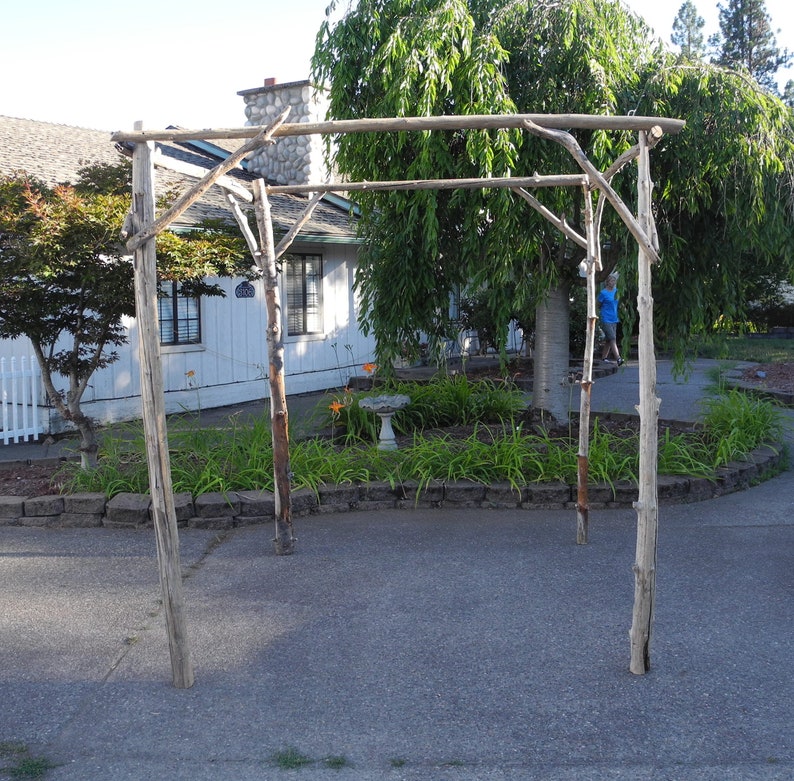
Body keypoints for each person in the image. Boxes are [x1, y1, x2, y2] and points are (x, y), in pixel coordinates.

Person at [598, 274, 624, 366]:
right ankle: (618, 358)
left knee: (609, 340)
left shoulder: (616, 292)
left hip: (614, 319)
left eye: (614, 281)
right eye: (611, 281)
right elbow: (599, 304)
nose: (613, 283)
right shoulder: (603, 293)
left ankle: (604, 358)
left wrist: (623, 308)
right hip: (605, 318)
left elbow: (619, 303)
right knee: (612, 338)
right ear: (607, 282)